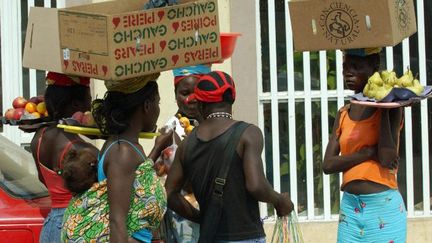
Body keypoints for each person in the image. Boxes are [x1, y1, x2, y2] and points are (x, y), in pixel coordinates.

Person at [165, 71, 294, 242]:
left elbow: (169, 193)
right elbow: (255, 186)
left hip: (209, 236)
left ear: (201, 104)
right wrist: (279, 200)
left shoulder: (187, 144)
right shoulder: (248, 134)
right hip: (246, 236)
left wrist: (201, 217)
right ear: (232, 98)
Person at [61, 73, 173, 243]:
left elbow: (138, 179)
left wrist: (157, 148)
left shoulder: (126, 146)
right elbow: (117, 222)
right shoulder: (123, 152)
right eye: (157, 103)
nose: (158, 109)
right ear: (147, 106)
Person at [322, 48, 407, 242]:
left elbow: (386, 158)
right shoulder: (343, 113)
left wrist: (384, 105)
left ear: (374, 66)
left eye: (356, 66)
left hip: (383, 209)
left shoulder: (392, 109)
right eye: (345, 67)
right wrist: (368, 153)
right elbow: (328, 165)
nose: (348, 72)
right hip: (350, 211)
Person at [29, 72, 99, 243]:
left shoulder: (38, 138)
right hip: (75, 225)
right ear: (76, 104)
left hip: (51, 225)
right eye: (89, 99)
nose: (90, 105)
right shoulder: (82, 149)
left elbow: (43, 179)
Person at [161, 65, 211, 243]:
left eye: (197, 92)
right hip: (185, 216)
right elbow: (188, 182)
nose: (191, 99)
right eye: (184, 93)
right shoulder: (170, 131)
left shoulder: (211, 123)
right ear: (175, 95)